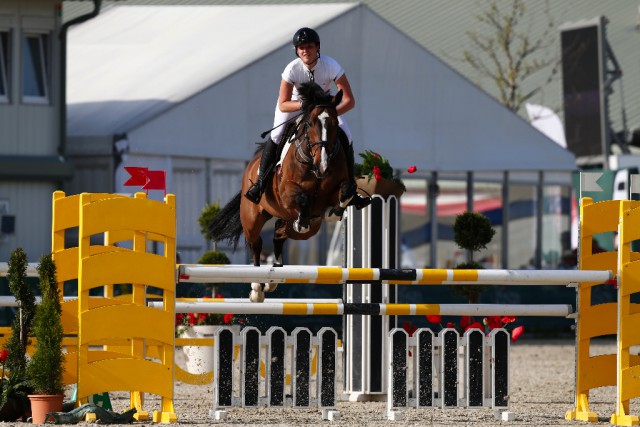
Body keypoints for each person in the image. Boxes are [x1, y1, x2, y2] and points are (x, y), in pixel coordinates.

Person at [244, 27, 370, 209]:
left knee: (347, 135)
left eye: (309, 46)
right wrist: (304, 107)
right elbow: (283, 103)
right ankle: (260, 183)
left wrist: (329, 119)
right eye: (301, 47)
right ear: (297, 50)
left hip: (323, 109)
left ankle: (351, 186)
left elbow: (349, 101)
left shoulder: (331, 65)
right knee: (277, 135)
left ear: (317, 48)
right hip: (295, 105)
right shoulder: (292, 69)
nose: (305, 51)